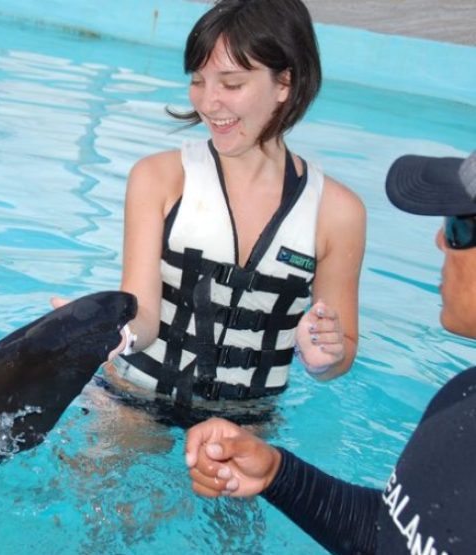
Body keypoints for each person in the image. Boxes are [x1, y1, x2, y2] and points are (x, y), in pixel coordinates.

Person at [185, 151, 476, 554]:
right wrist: (277, 474)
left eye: (460, 228)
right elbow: (395, 534)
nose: (441, 240)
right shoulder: (462, 396)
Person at [98, 0, 366, 413]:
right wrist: (113, 331)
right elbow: (144, 311)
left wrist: (326, 358)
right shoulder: (159, 179)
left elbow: (340, 352)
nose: (208, 102)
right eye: (198, 81)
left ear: (284, 83)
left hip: (246, 420)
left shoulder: (338, 212)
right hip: (131, 400)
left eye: (231, 84)